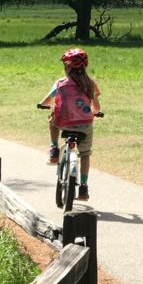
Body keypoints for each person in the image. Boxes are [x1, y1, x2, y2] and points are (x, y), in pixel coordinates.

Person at [38, 47, 101, 202]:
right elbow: (97, 107)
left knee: (52, 115)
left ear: (67, 67)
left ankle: (54, 149)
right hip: (84, 126)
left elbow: (47, 100)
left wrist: (42, 104)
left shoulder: (60, 84)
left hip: (63, 123)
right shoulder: (90, 84)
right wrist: (94, 112)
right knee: (85, 154)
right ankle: (84, 188)